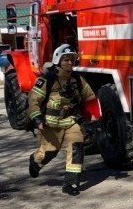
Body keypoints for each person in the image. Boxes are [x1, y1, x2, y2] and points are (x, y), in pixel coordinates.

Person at [28, 44, 96, 195]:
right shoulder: (47, 79)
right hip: (51, 124)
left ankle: (70, 184)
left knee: (77, 148)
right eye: (66, 59)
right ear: (58, 60)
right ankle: (35, 161)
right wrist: (37, 119)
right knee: (49, 152)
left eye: (72, 59)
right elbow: (33, 100)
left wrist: (95, 118)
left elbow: (90, 98)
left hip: (71, 121)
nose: (69, 63)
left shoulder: (78, 79)